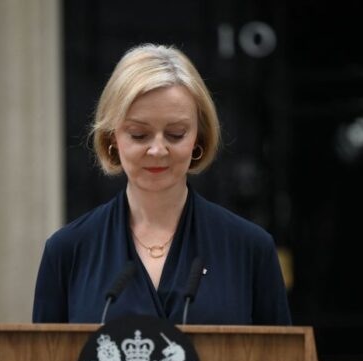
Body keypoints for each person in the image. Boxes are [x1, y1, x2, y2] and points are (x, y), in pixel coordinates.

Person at [32, 44, 291, 325]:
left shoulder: (251, 248)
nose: (158, 150)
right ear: (112, 139)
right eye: (139, 135)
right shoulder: (67, 250)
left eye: (176, 134)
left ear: (198, 139)